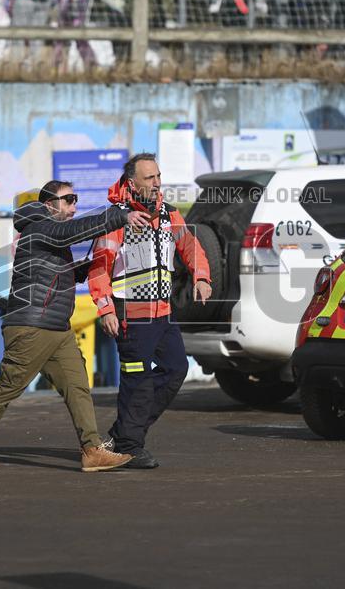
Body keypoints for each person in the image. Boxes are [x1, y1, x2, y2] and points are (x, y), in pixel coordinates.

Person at [0, 180, 151, 473]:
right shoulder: (39, 228)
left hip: (57, 328)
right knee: (9, 387)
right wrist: (118, 216)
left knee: (77, 386)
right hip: (31, 326)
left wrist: (81, 270)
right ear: (49, 204)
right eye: (68, 199)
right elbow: (71, 232)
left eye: (75, 199)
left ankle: (92, 449)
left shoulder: (47, 235)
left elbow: (51, 275)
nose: (74, 206)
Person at [88, 153, 212, 469]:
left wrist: (201, 276)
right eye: (149, 178)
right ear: (132, 183)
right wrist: (105, 309)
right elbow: (99, 268)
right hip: (129, 316)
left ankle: (125, 432)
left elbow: (190, 248)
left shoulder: (170, 214)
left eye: (158, 176)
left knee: (175, 371)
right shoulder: (115, 219)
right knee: (138, 383)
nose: (157, 183)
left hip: (162, 315)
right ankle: (129, 445)